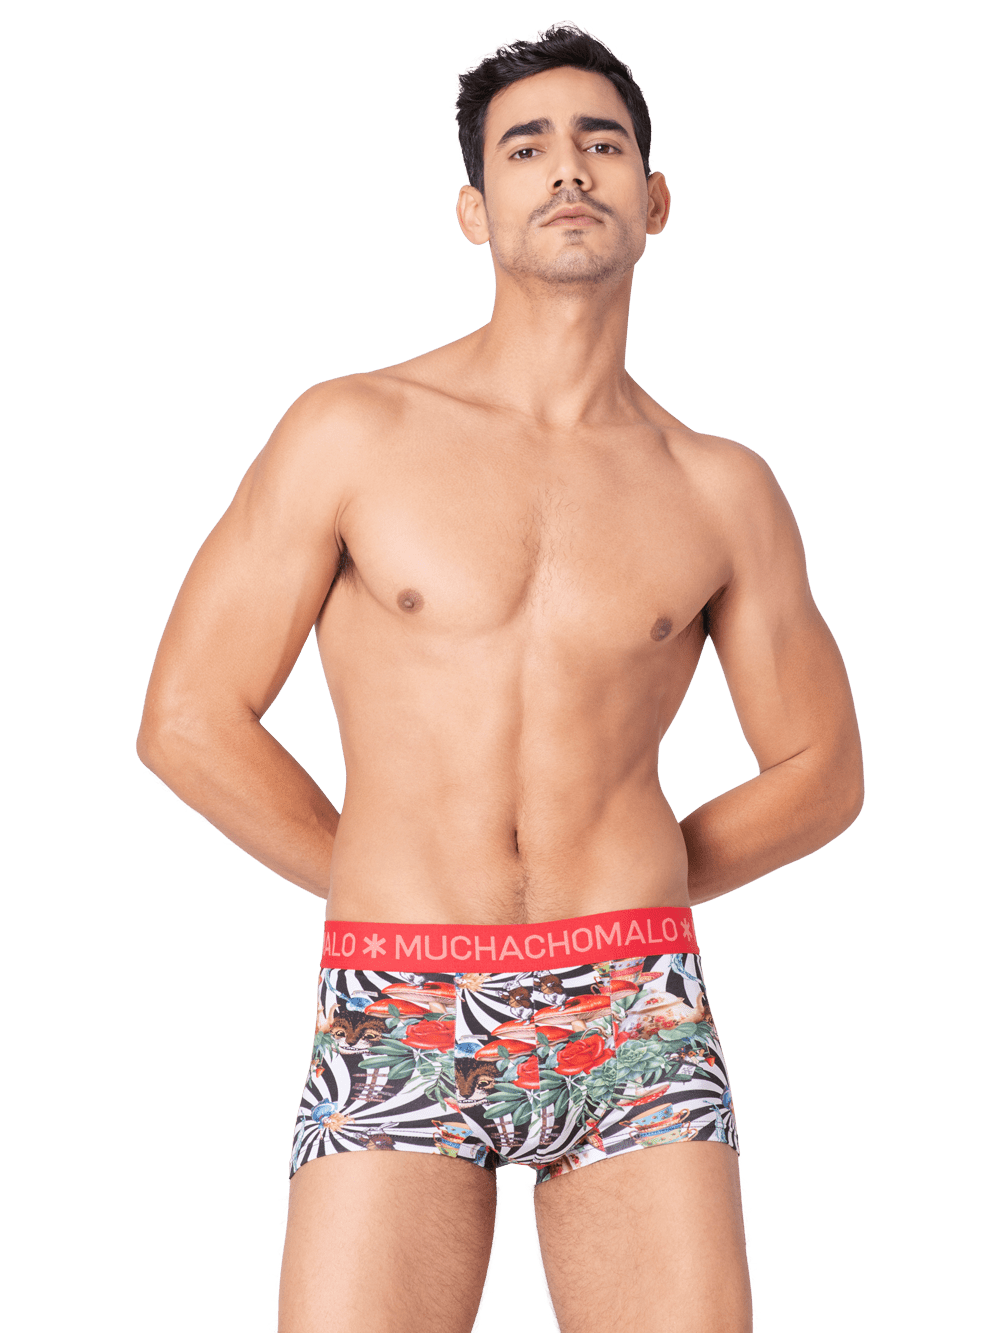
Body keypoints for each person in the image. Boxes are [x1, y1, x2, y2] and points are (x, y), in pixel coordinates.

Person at [137, 20, 863, 1333]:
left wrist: (630, 876)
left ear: (654, 199)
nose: (568, 168)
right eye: (527, 147)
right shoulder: (352, 430)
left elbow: (823, 771)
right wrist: (383, 875)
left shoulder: (721, 487)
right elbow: (189, 717)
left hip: (628, 996)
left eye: (602, 142)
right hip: (400, 987)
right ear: (476, 209)